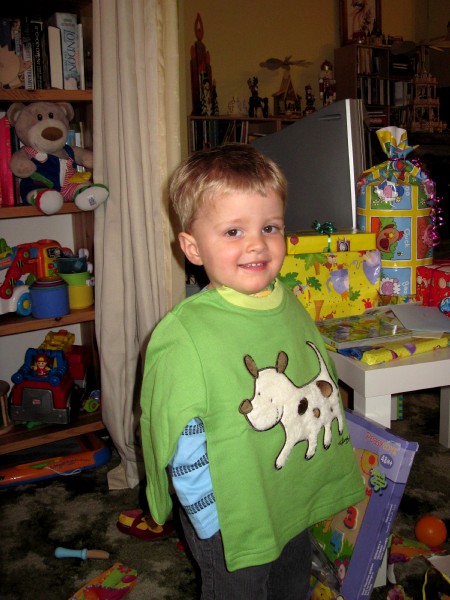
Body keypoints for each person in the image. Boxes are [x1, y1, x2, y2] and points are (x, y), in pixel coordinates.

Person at [140, 143, 365, 599]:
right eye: (233, 231)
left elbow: (316, 388)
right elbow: (172, 431)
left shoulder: (289, 303)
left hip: (286, 497)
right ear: (193, 248)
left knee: (290, 582)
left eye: (269, 227)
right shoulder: (185, 335)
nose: (256, 244)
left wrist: (325, 473)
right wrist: (211, 518)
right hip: (232, 517)